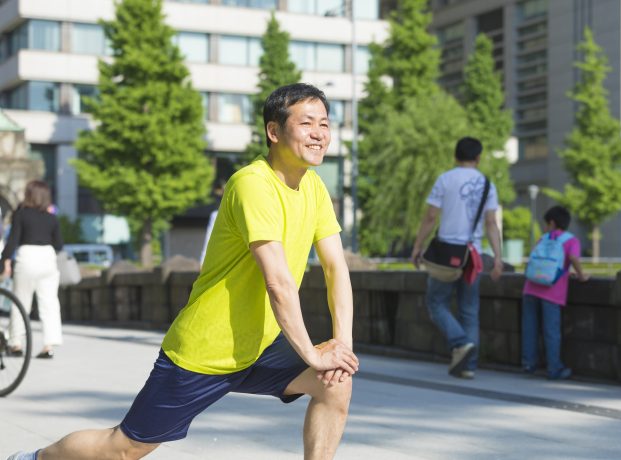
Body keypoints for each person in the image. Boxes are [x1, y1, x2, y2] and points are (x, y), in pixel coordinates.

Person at [8, 83, 358, 460]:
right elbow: (278, 282)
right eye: (307, 123)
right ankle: (35, 458)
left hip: (260, 344)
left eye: (324, 123)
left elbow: (336, 268)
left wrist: (341, 346)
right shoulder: (253, 184)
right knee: (123, 448)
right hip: (207, 348)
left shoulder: (315, 188)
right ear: (274, 132)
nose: (320, 133)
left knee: (334, 383)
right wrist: (312, 352)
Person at [411, 137, 503, 379]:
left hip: (446, 254)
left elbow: (431, 217)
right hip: (473, 255)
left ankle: (460, 342)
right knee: (469, 310)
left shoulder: (446, 179)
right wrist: (499, 257)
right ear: (478, 157)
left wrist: (418, 246)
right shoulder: (486, 184)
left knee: (436, 303)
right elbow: (492, 223)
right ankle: (468, 366)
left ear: (456, 156)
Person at [521, 205, 588, 380]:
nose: (544, 227)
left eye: (545, 224)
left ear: (552, 222)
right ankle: (554, 368)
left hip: (530, 286)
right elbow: (572, 258)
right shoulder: (571, 240)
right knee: (551, 331)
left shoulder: (542, 239)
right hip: (552, 291)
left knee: (530, 328)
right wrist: (581, 275)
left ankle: (529, 364)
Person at [1, 180, 64, 360]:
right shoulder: (52, 218)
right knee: (49, 303)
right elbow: (59, 244)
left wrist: (3, 259)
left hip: (26, 257)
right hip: (47, 258)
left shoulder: (21, 215)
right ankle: (49, 345)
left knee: (20, 302)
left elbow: (12, 241)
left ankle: (16, 344)